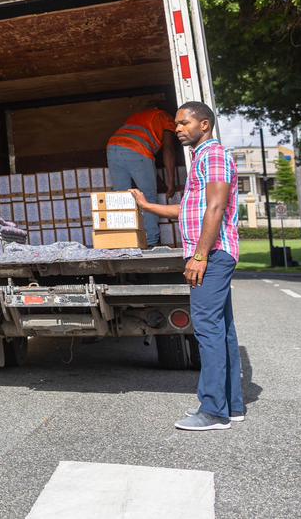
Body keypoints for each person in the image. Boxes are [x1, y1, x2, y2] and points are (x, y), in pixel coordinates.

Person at [131, 100, 245, 431]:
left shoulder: (213, 155)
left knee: (207, 329)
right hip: (213, 253)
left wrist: (200, 255)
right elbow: (188, 210)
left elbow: (216, 205)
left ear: (204, 125)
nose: (178, 129)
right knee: (222, 330)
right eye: (177, 124)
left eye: (183, 123)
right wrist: (146, 205)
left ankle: (212, 411)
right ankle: (232, 405)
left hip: (213, 254)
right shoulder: (201, 159)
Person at [107, 103, 179, 246]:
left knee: (121, 197)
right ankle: (152, 242)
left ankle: (125, 243)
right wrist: (171, 182)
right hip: (137, 149)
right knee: (148, 199)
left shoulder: (137, 116)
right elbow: (168, 150)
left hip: (112, 147)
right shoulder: (165, 117)